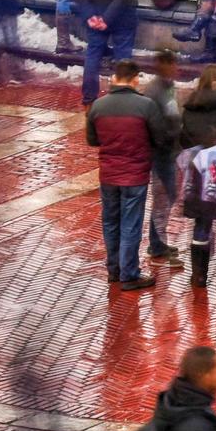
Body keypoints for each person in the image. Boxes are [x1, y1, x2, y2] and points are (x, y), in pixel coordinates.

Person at [87, 59, 172, 288]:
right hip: (135, 175)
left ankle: (114, 270)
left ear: (115, 78)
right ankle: (129, 274)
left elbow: (92, 140)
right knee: (130, 225)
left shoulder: (98, 105)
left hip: (108, 175)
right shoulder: (146, 106)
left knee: (110, 222)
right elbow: (160, 138)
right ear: (135, 79)